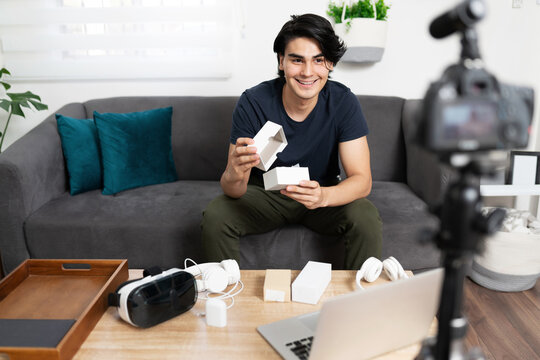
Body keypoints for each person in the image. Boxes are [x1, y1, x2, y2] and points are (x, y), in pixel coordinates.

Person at [201, 13, 382, 270]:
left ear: (330, 63)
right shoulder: (253, 102)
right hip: (264, 194)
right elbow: (233, 190)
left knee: (364, 215)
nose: (307, 72)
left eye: (318, 60)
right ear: (281, 61)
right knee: (217, 214)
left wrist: (322, 196)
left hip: (320, 191)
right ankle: (225, 298)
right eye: (297, 60)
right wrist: (234, 171)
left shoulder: (343, 102)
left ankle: (359, 303)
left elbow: (362, 181)